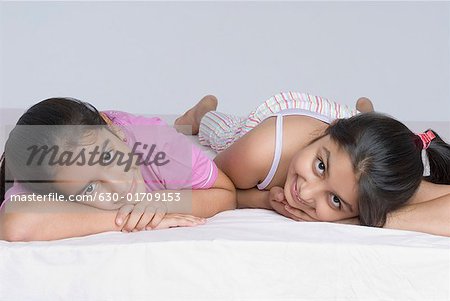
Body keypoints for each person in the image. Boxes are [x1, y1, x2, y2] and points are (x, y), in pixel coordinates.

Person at [175, 91, 450, 236]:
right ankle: (203, 111)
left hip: (342, 128)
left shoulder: (367, 174)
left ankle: (364, 112)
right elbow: (215, 188)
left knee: (359, 139)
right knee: (223, 131)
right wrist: (261, 200)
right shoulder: (262, 150)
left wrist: (364, 223)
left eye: (336, 201)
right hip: (285, 124)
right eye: (320, 167)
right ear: (331, 129)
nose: (304, 194)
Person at [0, 97, 236, 241]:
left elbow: (226, 193)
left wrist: (165, 202)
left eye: (108, 156)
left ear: (115, 131)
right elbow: (15, 224)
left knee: (213, 129)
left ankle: (199, 114)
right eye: (89, 188)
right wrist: (127, 218)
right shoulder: (46, 176)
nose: (118, 184)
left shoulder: (155, 143)